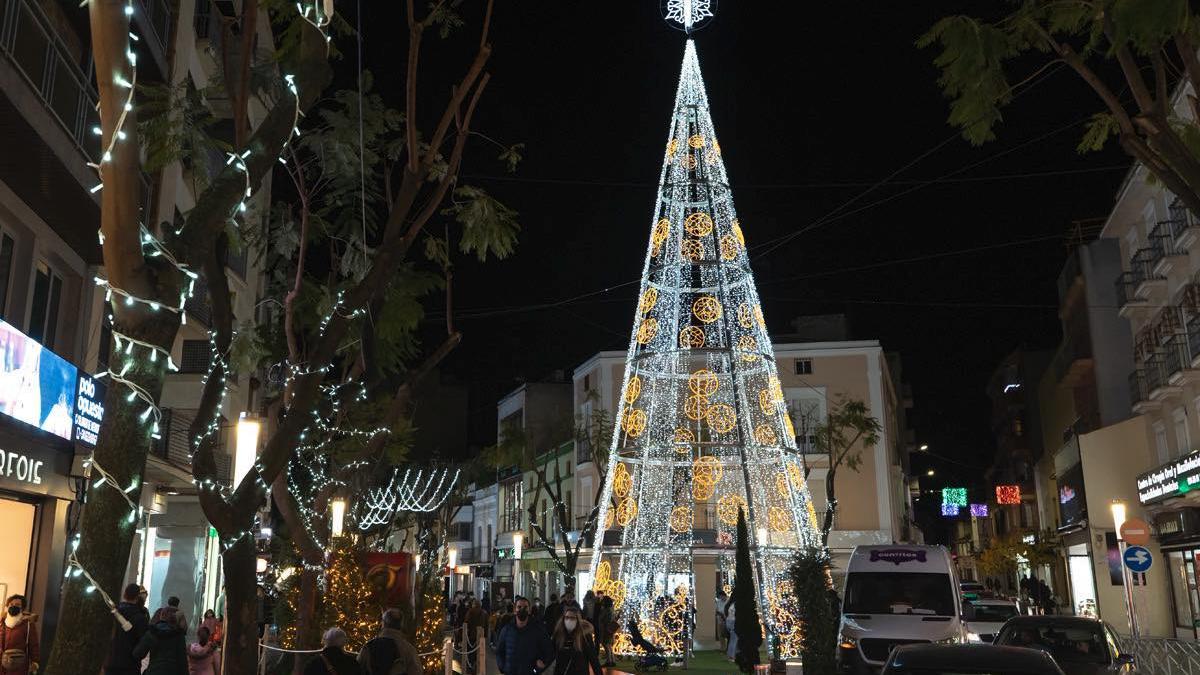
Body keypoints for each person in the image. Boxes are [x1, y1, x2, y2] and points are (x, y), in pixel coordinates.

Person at [495, 597, 552, 675]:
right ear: (515, 610)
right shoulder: (507, 630)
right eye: (519, 607)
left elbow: (549, 652)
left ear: (529, 611)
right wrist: (503, 667)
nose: (522, 610)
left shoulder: (538, 630)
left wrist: (537, 670)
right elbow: (499, 651)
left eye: (525, 607)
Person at [359, 608, 421, 675]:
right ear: (401, 625)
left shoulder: (368, 646)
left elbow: (357, 669)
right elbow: (416, 671)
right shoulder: (408, 649)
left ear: (383, 623)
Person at [106, 583, 150, 675]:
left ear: (124, 594)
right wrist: (136, 656)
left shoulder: (113, 613)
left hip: (111, 663)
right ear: (138, 598)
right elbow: (144, 643)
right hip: (130, 666)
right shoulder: (141, 618)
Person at [133, 607, 188, 675]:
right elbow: (183, 661)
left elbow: (138, 654)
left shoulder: (151, 633)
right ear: (175, 618)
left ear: (161, 616)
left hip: (154, 671)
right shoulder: (178, 635)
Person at [550, 606, 603, 675]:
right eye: (567, 617)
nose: (569, 620)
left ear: (577, 620)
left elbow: (593, 658)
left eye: (572, 618)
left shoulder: (584, 636)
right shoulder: (558, 635)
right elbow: (551, 653)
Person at [1, 594, 38, 675]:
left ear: (22, 608)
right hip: (2, 664)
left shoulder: (28, 624)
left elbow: (33, 644)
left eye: (17, 605)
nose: (13, 606)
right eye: (11, 604)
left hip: (19, 665)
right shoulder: (2, 622)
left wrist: (35, 661)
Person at [596, 594, 615, 666]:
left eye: (603, 601)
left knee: (606, 644)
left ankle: (609, 661)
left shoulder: (606, 610)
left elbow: (604, 619)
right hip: (609, 629)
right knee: (609, 645)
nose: (602, 602)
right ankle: (612, 660)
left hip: (605, 629)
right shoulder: (611, 609)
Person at [724, 594, 738, 662]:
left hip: (729, 621)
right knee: (734, 640)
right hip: (733, 622)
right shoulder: (735, 605)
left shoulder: (730, 604)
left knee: (732, 639)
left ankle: (731, 655)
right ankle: (731, 656)